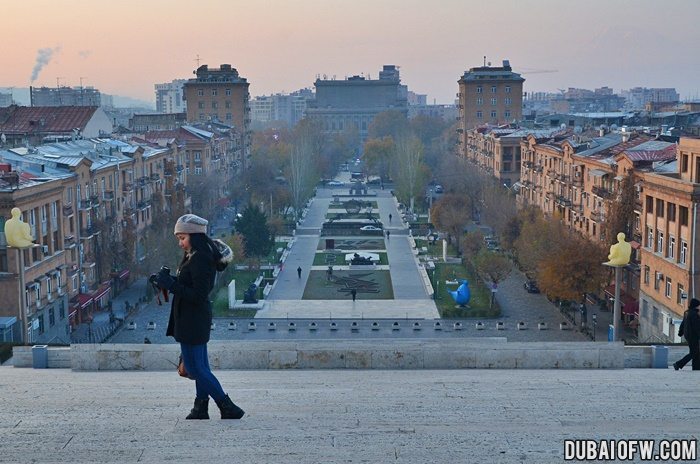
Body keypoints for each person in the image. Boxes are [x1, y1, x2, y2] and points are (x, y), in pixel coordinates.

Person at [154, 214, 244, 420]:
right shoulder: (193, 255)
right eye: (179, 238)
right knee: (201, 366)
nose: (180, 243)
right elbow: (189, 285)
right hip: (190, 318)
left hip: (193, 320)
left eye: (182, 238)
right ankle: (200, 408)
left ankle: (227, 406)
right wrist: (165, 281)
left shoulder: (201, 259)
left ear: (194, 236)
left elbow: (198, 294)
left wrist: (172, 285)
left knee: (195, 368)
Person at [673, 298, 700, 370]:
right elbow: (697, 326)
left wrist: (680, 332)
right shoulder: (694, 314)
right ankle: (678, 364)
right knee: (694, 352)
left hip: (688, 335)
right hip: (693, 336)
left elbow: (683, 323)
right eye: (699, 305)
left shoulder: (687, 312)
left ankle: (696, 367)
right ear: (696, 306)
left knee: (696, 352)